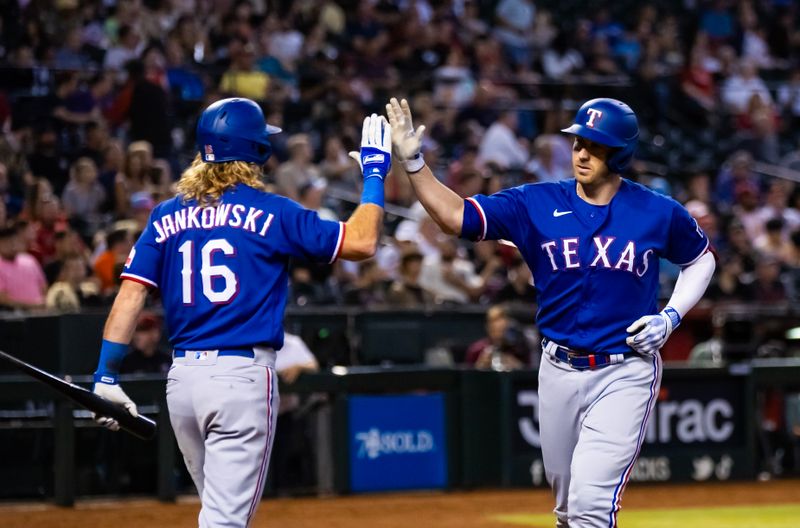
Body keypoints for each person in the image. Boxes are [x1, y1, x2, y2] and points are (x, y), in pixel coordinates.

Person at [386, 97, 716, 527]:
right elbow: (456, 216)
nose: (581, 152)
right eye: (578, 142)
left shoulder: (656, 210)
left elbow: (702, 258)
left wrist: (670, 317)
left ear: (620, 153)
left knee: (590, 508)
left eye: (594, 146)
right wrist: (414, 164)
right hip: (557, 368)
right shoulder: (536, 203)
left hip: (624, 370)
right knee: (565, 512)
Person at [90, 98, 391, 527]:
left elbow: (130, 296)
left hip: (183, 384)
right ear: (257, 152)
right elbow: (362, 242)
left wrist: (105, 375)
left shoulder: (165, 215)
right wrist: (375, 175)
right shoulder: (274, 211)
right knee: (224, 522)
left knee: (217, 513)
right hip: (240, 380)